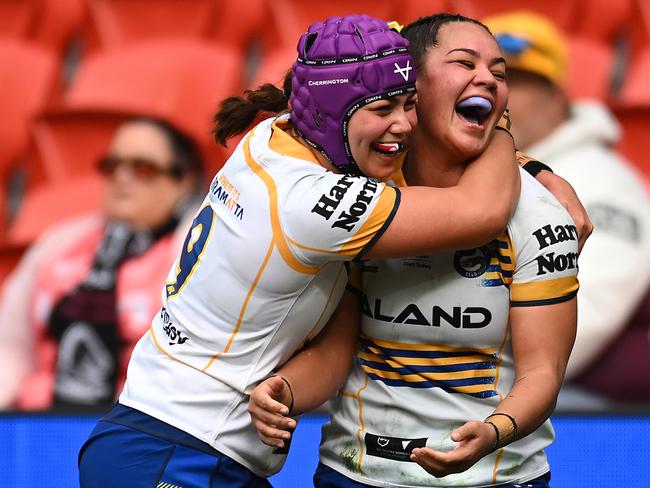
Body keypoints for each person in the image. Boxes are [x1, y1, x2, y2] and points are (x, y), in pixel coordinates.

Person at [77, 13, 528, 488]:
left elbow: (337, 344)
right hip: (176, 452)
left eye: (409, 104)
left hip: (167, 445)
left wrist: (534, 167)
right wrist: (498, 126)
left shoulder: (276, 136)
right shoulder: (308, 205)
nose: (403, 125)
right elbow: (481, 210)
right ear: (333, 112)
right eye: (383, 109)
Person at [248, 13, 579, 487]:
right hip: (356, 473)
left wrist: (493, 431)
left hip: (495, 478)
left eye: (498, 73)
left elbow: (543, 373)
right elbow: (336, 352)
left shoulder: (539, 216)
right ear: (413, 85)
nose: (486, 77)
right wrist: (285, 390)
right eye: (463, 63)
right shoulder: (361, 201)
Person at [483, 10, 650, 406]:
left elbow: (586, 320)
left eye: (516, 81)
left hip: (569, 402)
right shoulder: (471, 167)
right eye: (488, 80)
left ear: (557, 97)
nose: (497, 95)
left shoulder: (603, 182)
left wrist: (465, 387)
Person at [0, 117, 204, 410]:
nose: (122, 177)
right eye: (112, 166)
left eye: (143, 169)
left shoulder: (198, 252)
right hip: (38, 425)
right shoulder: (58, 245)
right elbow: (9, 348)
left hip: (139, 426)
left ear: (184, 181)